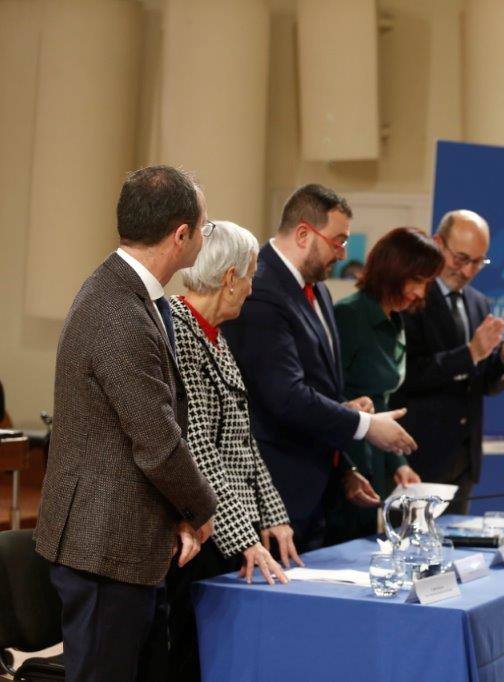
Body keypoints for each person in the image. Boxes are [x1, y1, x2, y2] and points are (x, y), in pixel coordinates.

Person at [34, 165, 218, 682]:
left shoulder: (134, 295)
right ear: (181, 234)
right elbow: (157, 441)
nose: (204, 239)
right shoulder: (117, 308)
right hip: (103, 547)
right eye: (203, 228)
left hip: (127, 542)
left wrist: (180, 516)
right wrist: (201, 509)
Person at [221, 184, 417, 552]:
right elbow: (285, 397)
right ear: (303, 234)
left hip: (317, 494)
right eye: (337, 242)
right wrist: (367, 426)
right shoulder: (261, 288)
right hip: (274, 496)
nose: (342, 254)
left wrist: (344, 469)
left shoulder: (319, 291)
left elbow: (322, 392)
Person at [165, 220, 304, 681]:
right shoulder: (180, 333)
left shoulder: (215, 337)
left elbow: (243, 442)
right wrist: (242, 536)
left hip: (229, 529)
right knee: (191, 657)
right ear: (230, 278)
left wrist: (274, 515)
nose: (251, 287)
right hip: (205, 533)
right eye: (250, 276)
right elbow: (199, 448)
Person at [392, 210, 504, 514]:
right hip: (418, 458)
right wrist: (470, 353)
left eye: (478, 262)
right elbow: (408, 374)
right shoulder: (411, 298)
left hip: (463, 461)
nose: (467, 271)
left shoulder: (479, 303)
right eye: (461, 259)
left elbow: (482, 384)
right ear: (437, 244)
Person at [327, 227, 445, 543]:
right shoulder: (349, 315)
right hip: (343, 465)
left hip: (376, 462)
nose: (421, 293)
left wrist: (399, 464)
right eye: (417, 281)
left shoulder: (395, 321)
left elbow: (384, 403)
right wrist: (347, 469)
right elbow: (326, 396)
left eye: (427, 284)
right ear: (394, 271)